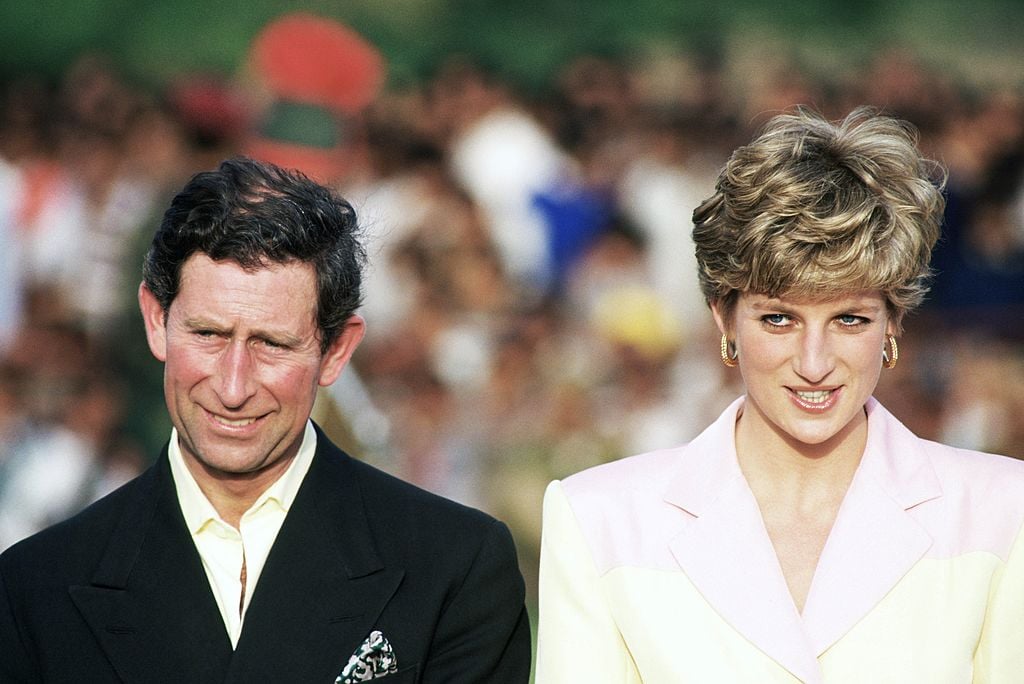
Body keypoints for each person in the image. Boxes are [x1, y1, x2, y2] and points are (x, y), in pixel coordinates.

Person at [535, 108, 1024, 682]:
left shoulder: (1000, 510)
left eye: (849, 319)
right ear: (724, 318)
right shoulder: (602, 519)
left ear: (893, 322)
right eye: (778, 319)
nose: (814, 364)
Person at [0, 157, 531, 683]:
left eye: (272, 345)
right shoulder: (35, 587)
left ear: (336, 352)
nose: (233, 387)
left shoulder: (454, 567)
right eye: (207, 335)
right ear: (156, 321)